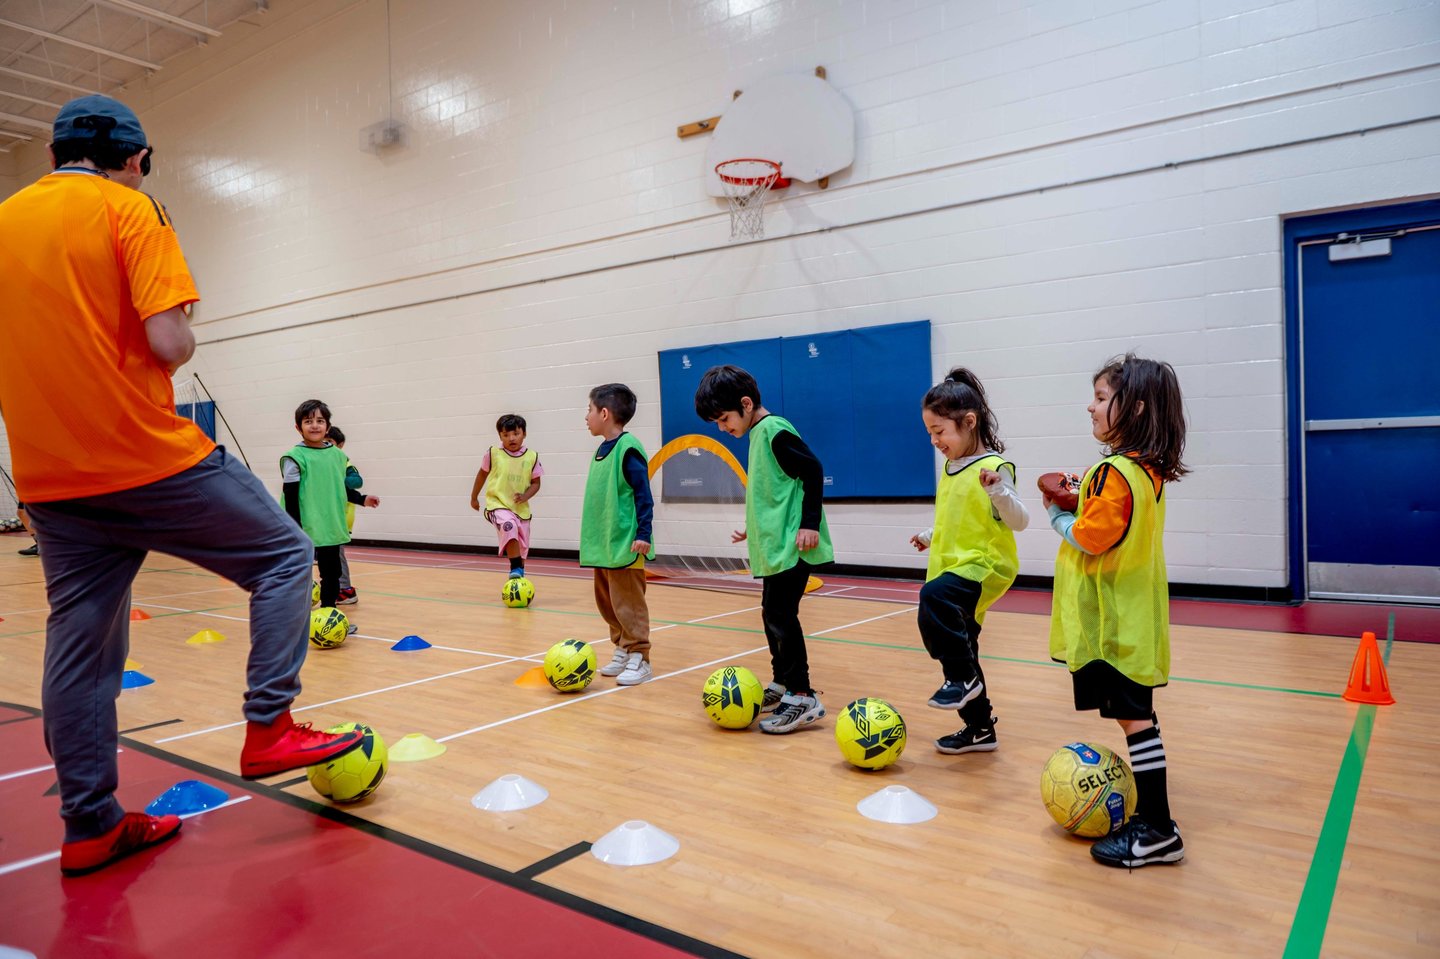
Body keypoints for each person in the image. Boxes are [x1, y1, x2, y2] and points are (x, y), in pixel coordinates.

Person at [0, 95, 365, 876]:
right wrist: (185, 318)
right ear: (135, 159)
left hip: (49, 477)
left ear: (55, 154)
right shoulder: (132, 211)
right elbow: (168, 340)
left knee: (82, 648)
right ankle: (270, 726)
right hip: (142, 455)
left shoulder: (5, 223)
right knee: (283, 555)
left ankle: (91, 823)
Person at [1045, 353, 1189, 868]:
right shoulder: (1146, 470)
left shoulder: (1114, 470)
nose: (1090, 406)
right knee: (1139, 718)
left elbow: (1091, 537)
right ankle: (1154, 818)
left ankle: (1157, 829)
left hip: (1113, 626)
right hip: (1136, 619)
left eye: (1102, 398)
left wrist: (1058, 516)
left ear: (1137, 407)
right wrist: (1084, 491)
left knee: (1135, 722)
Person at [694, 365, 833, 734]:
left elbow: (813, 471)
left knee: (781, 615)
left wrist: (808, 523)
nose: (723, 428)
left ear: (746, 403)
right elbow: (774, 491)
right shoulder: (758, 434)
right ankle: (784, 682)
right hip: (774, 546)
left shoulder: (773, 430)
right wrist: (753, 529)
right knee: (771, 614)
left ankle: (802, 695)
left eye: (724, 419)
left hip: (793, 545)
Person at [909, 368, 1028, 755]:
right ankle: (979, 728)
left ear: (969, 421)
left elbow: (1020, 521)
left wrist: (999, 493)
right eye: (929, 433)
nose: (934, 440)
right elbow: (953, 518)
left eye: (939, 431)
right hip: (954, 564)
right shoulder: (950, 469)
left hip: (985, 564)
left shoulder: (994, 468)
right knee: (965, 646)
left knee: (933, 599)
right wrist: (930, 536)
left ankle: (960, 678)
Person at [580, 385, 655, 686]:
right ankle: (623, 647)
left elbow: (643, 494)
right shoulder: (601, 450)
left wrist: (644, 533)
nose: (586, 417)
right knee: (608, 603)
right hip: (603, 544)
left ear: (605, 413)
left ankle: (640, 655)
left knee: (628, 603)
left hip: (626, 543)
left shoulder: (629, 448)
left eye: (589, 410)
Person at [283, 400, 378, 622]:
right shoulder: (294, 457)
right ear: (298, 427)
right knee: (300, 575)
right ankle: (297, 618)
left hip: (330, 524)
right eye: (308, 421)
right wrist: (294, 528)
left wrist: (362, 499)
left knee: (332, 574)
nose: (314, 426)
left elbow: (340, 488)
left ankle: (327, 614)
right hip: (303, 525)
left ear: (327, 425)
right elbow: (290, 495)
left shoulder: (338, 455)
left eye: (320, 421)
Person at [468, 414, 543, 579]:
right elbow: (481, 475)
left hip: (520, 509)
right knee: (509, 526)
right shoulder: (493, 453)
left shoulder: (532, 457)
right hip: (497, 504)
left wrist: (525, 496)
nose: (511, 438)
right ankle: (514, 567)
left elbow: (536, 483)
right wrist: (474, 497)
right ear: (500, 436)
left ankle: (519, 578)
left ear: (524, 433)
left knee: (522, 547)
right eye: (506, 435)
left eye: (516, 434)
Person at [325, 426, 364, 605]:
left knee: (336, 555)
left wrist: (344, 481)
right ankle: (331, 587)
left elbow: (356, 480)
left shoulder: (343, 461)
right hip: (326, 518)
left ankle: (346, 589)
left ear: (340, 445)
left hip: (341, 517)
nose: (326, 444)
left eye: (330, 442)